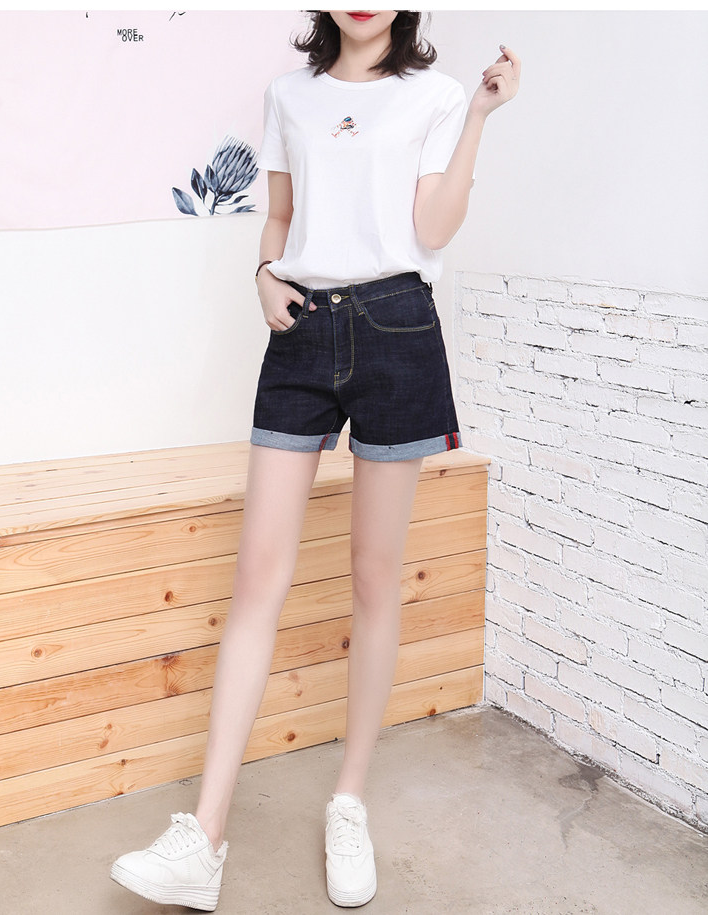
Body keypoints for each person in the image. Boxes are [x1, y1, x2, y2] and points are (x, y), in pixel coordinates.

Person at [110, 10, 520, 911]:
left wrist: (480, 119)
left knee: (375, 578)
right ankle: (204, 835)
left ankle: (349, 801)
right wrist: (264, 274)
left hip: (398, 326)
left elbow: (433, 228)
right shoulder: (288, 94)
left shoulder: (438, 96)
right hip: (300, 332)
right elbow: (282, 216)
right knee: (258, 576)